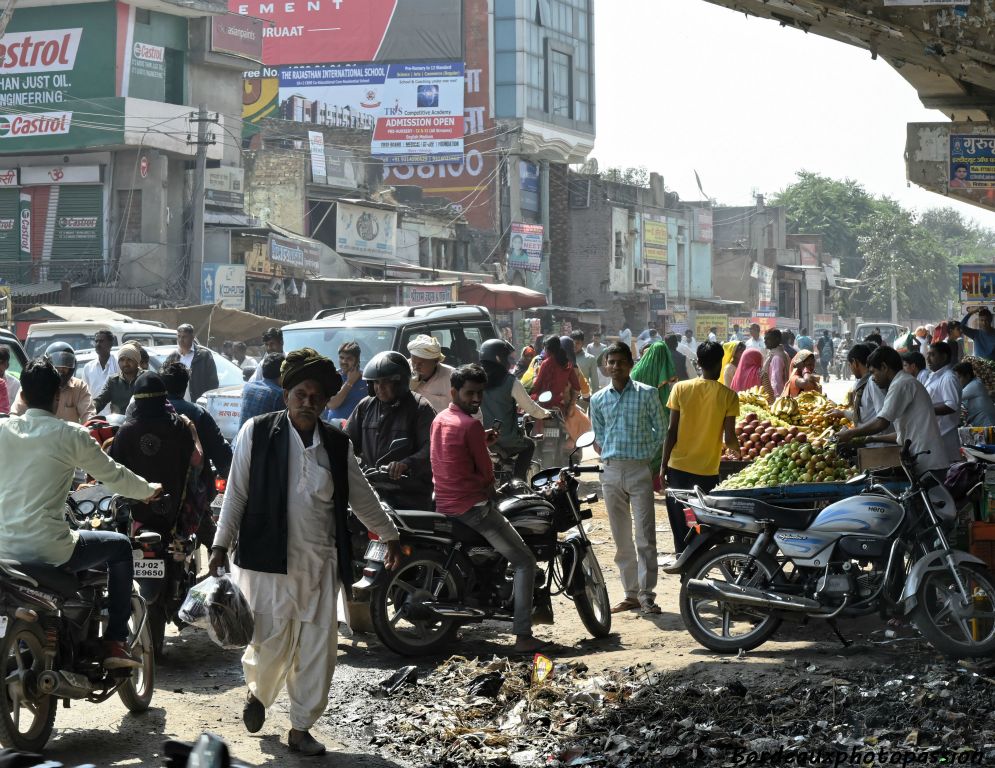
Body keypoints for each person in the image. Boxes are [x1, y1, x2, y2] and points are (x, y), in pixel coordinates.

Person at [209, 349, 401, 757]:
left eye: (316, 395)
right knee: (271, 643)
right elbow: (237, 492)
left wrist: (391, 535)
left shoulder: (336, 443)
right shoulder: (257, 433)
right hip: (267, 563)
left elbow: (362, 496)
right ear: (286, 396)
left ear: (325, 400)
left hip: (319, 565)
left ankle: (300, 728)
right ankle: (259, 695)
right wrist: (220, 544)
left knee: (317, 652)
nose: (308, 401)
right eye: (301, 393)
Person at [0, 358, 161, 669]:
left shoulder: (3, 429)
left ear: (22, 396)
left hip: (4, 548)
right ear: (59, 397)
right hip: (48, 549)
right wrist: (148, 490)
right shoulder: (70, 434)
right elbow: (114, 476)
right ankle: (116, 639)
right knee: (120, 546)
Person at [431, 364, 547, 652]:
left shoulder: (442, 419)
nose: (476, 399)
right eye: (470, 393)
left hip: (444, 504)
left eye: (480, 394)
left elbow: (452, 453)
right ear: (454, 391)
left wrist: (482, 439)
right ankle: (523, 635)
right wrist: (494, 492)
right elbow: (485, 473)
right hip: (472, 508)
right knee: (524, 561)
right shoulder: (469, 425)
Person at [589, 342, 666, 615]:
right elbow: (598, 435)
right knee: (621, 538)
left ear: (630, 364)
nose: (615, 366)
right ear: (605, 365)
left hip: (638, 470)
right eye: (611, 362)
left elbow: (661, 430)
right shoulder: (597, 399)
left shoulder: (647, 394)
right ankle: (630, 594)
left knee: (645, 536)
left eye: (621, 362)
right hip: (610, 471)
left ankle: (647, 596)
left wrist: (646, 455)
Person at [663, 342, 741, 554]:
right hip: (707, 471)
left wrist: (663, 467)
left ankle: (683, 558)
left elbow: (671, 431)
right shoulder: (729, 396)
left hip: (678, 467)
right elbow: (730, 437)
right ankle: (699, 560)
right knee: (701, 520)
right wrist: (737, 449)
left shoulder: (680, 388)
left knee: (681, 519)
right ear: (719, 363)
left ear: (698, 363)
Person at [111, 374, 202, 543]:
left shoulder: (126, 432)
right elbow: (197, 461)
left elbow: (111, 471)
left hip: (135, 517)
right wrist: (193, 430)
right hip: (175, 517)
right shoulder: (179, 426)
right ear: (164, 399)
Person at [837, 347, 950, 477]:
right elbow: (902, 434)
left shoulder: (901, 384)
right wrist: (870, 439)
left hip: (929, 462)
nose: (872, 378)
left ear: (884, 367)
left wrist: (851, 433)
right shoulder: (902, 382)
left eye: (873, 372)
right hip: (923, 460)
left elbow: (881, 423)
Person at [346, 351, 435, 510]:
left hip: (409, 494)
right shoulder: (366, 406)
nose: (380, 388)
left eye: (386, 382)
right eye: (376, 382)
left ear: (400, 383)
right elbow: (347, 441)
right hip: (372, 489)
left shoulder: (420, 408)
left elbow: (431, 448)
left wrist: (406, 464)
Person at [480, 340, 551, 480]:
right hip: (505, 437)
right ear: (498, 358)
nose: (510, 361)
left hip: (480, 437)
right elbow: (531, 408)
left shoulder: (475, 379)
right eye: (507, 357)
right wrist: (546, 414)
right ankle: (519, 481)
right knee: (529, 445)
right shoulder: (509, 381)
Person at [630, 340, 676, 492]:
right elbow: (667, 397)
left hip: (638, 417)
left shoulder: (636, 370)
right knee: (660, 446)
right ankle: (656, 482)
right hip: (658, 418)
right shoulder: (663, 371)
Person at [12, 342, 95, 424]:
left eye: (67, 363)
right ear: (46, 364)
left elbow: (89, 416)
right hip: (35, 435)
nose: (61, 369)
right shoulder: (32, 384)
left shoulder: (79, 387)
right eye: (56, 362)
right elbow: (15, 416)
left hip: (67, 436)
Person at [923, 341, 963, 464]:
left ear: (944, 357)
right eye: (928, 354)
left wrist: (924, 410)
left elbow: (951, 406)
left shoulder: (948, 378)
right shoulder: (935, 376)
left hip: (946, 435)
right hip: (937, 435)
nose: (928, 358)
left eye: (932, 355)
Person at [164, 323, 218, 401]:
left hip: (199, 403)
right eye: (179, 336)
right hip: (179, 404)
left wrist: (206, 400)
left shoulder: (203, 356)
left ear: (192, 338)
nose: (181, 340)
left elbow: (213, 382)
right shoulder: (173, 357)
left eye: (184, 337)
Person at [407, 334, 455, 415]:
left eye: (421, 364)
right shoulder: (405, 368)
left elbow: (468, 409)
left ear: (435, 361)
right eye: (413, 362)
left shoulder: (451, 377)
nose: (415, 367)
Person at [531, 336, 581, 410]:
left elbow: (536, 386)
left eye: (545, 349)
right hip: (559, 404)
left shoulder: (546, 363)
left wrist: (535, 375)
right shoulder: (568, 364)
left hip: (543, 404)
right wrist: (572, 405)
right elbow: (577, 387)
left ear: (548, 349)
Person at [323, 341, 368, 423]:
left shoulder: (367, 379)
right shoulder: (333, 376)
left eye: (349, 359)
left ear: (357, 360)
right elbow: (332, 404)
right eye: (341, 357)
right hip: (333, 429)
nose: (344, 361)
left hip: (358, 430)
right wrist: (349, 382)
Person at [93, 343, 143, 415]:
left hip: (142, 423)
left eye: (129, 360)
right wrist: (90, 410)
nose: (125, 363)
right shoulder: (113, 380)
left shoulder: (146, 378)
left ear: (137, 361)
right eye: (122, 360)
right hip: (119, 424)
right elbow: (100, 400)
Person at [240, 353, 287, 428]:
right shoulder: (279, 394)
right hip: (262, 439)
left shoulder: (247, 387)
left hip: (242, 437)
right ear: (283, 373)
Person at [80, 330, 118, 415]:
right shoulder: (88, 368)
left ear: (110, 344)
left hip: (116, 417)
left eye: (101, 341)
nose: (98, 344)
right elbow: (84, 395)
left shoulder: (118, 365)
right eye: (96, 341)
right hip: (95, 417)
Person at [955, 362, 995, 426]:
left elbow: (954, 397)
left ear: (967, 376)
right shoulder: (974, 384)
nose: (956, 381)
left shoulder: (975, 385)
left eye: (959, 378)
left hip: (988, 424)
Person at [760, 328, 789, 403]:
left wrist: (776, 400)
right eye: (765, 339)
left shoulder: (776, 358)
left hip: (777, 398)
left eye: (768, 339)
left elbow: (776, 382)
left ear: (777, 339)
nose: (765, 341)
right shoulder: (783, 353)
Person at [571, 330, 602, 398]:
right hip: (567, 398)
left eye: (577, 343)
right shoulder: (565, 358)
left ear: (582, 343)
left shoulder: (590, 359)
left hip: (583, 398)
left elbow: (595, 383)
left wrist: (594, 400)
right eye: (572, 343)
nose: (574, 345)